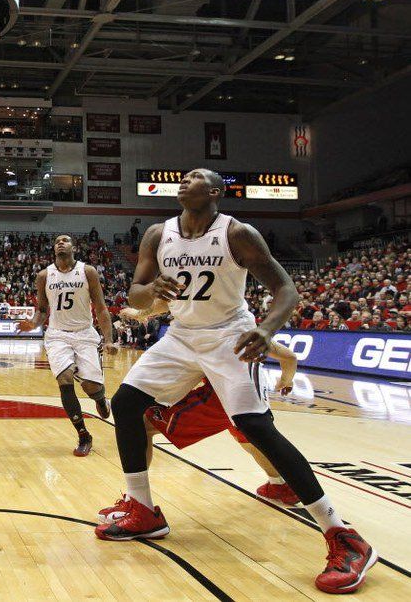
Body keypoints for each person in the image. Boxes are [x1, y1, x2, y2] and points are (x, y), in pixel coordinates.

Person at [95, 169, 376, 595]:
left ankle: (344, 536)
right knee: (127, 403)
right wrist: (152, 288)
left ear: (213, 192)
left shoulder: (237, 233)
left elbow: (286, 290)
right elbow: (135, 294)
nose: (182, 181)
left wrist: (266, 331)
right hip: (182, 337)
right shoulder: (158, 233)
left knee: (255, 427)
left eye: (192, 177)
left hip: (230, 336)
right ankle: (143, 509)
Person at [100, 302, 302, 512]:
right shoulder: (244, 330)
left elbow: (172, 302)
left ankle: (137, 501)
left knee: (144, 424)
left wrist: (141, 312)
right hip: (251, 392)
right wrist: (286, 381)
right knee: (250, 440)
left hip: (223, 396)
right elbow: (290, 357)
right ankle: (280, 484)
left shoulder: (211, 330)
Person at [18, 235, 116, 456]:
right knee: (65, 378)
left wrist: (108, 339)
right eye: (57, 241)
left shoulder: (87, 271)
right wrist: (33, 323)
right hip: (57, 335)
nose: (60, 243)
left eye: (65, 240)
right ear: (53, 249)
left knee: (90, 386)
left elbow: (100, 307)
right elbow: (42, 310)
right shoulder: (44, 276)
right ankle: (83, 434)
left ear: (74, 247)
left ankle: (100, 398)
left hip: (84, 334)